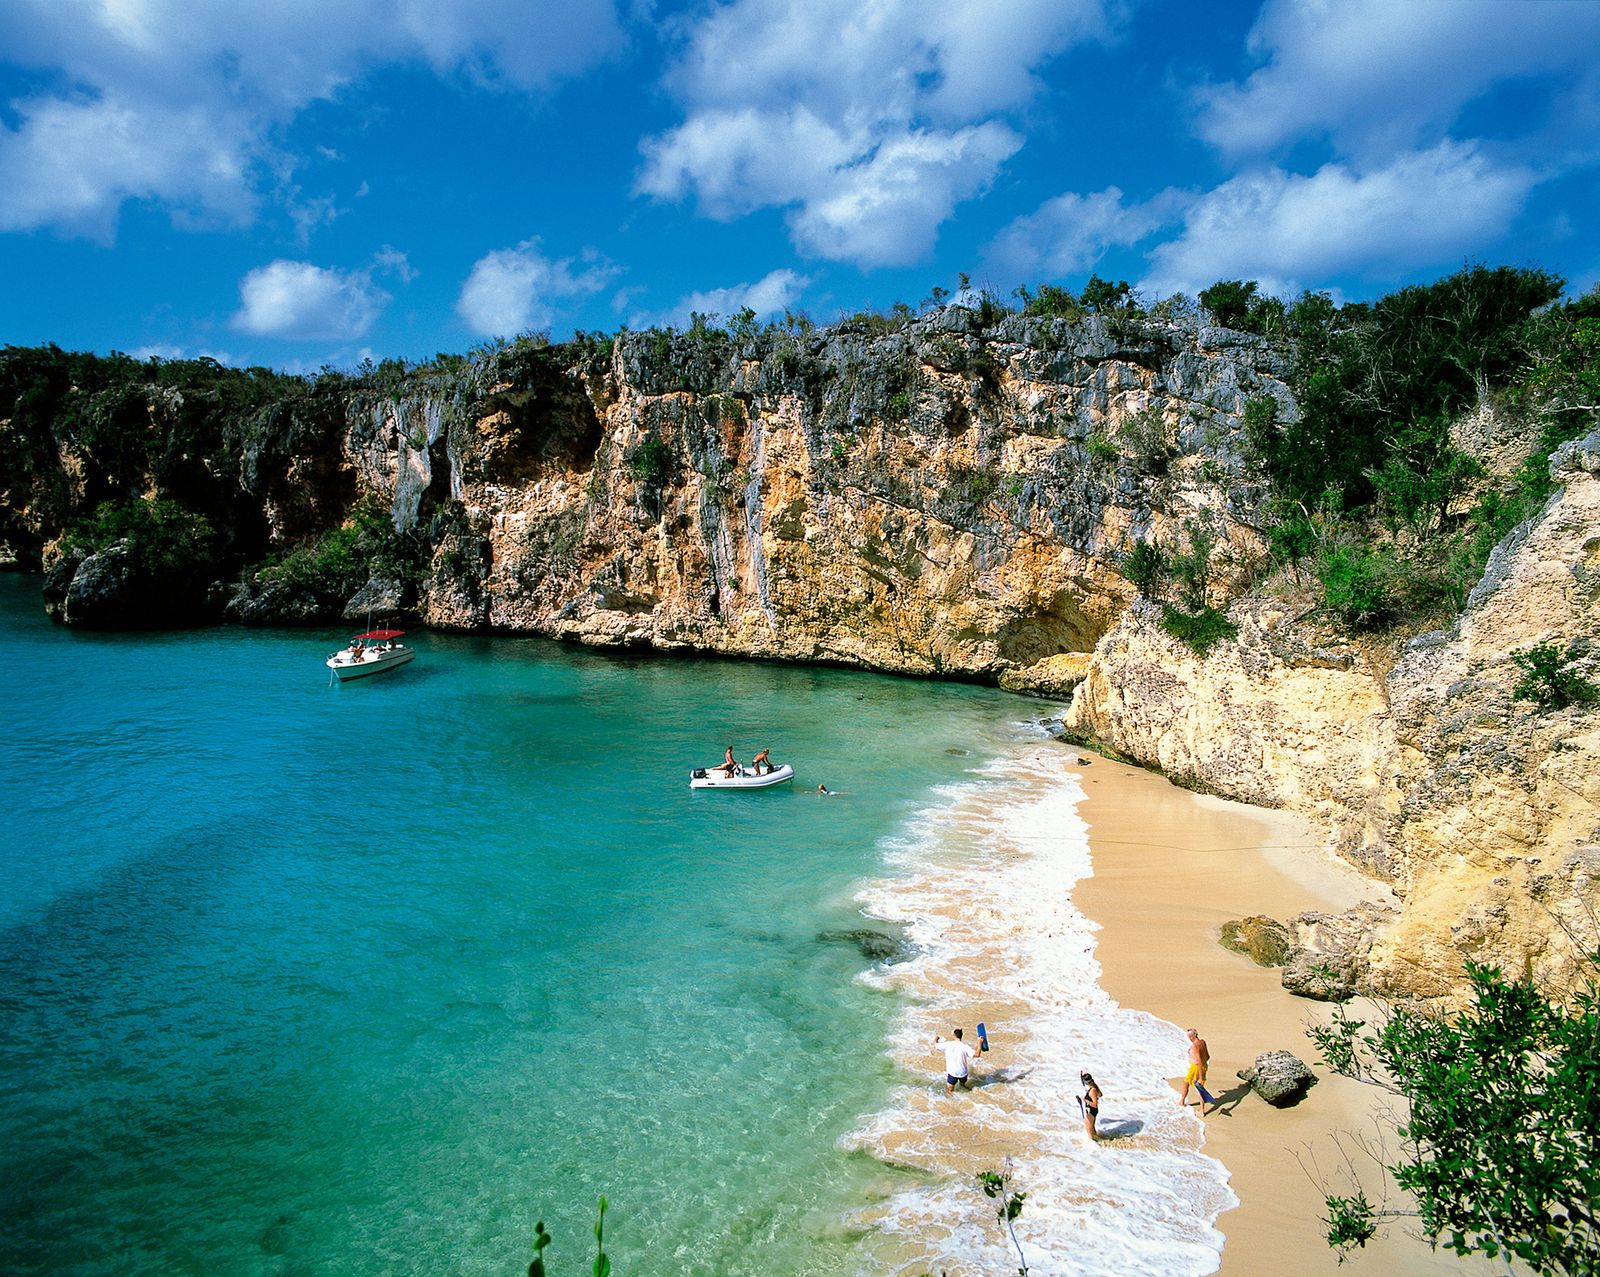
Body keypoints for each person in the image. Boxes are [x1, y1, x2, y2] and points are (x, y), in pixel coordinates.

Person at [1179, 1027, 1220, 1111]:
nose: (1187, 1039)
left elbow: (1199, 1062)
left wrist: (1200, 1078)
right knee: (1193, 1085)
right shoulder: (1202, 1042)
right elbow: (1208, 1056)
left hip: (1196, 1068)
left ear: (1192, 1037)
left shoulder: (1194, 1046)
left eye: (1188, 1037)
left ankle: (1200, 1110)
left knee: (1196, 1087)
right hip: (1204, 1066)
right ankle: (1183, 1102)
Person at [932, 1028, 978, 1095]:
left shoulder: (948, 1044)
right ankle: (966, 1091)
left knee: (949, 1091)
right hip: (963, 1073)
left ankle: (951, 1100)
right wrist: (980, 1042)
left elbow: (935, 1045)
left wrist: (936, 1038)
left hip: (953, 1073)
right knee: (962, 1085)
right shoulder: (965, 1046)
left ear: (954, 1035)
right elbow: (976, 1054)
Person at [1078, 1070, 1103, 1142]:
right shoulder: (1094, 1086)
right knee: (1091, 1128)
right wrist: (1081, 1076)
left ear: (1086, 1082)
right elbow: (1100, 1095)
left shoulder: (1092, 1091)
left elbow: (1095, 1104)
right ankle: (1098, 1141)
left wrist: (1084, 1100)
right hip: (1092, 1111)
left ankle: (1096, 1144)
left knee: (1089, 1131)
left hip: (1091, 1111)